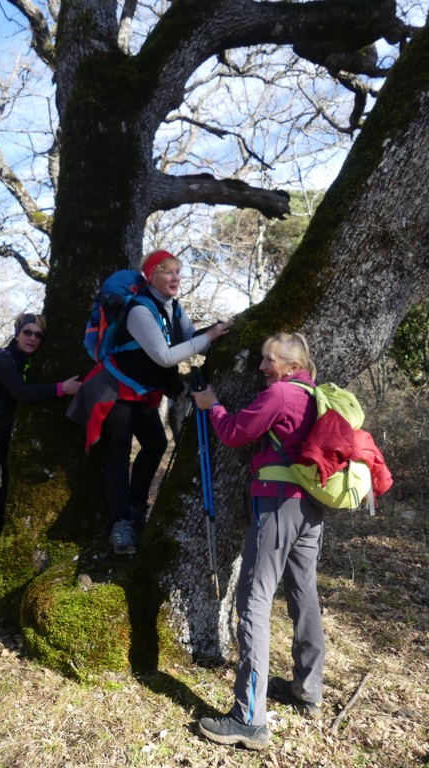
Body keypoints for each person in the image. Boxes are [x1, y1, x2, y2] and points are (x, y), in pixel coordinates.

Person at [192, 332, 324, 751]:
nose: (262, 367)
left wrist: (210, 404)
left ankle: (249, 719)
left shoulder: (281, 395)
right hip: (310, 508)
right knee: (304, 595)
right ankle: (308, 690)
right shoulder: (314, 396)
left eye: (269, 360)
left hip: (276, 505)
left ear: (290, 364)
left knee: (253, 600)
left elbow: (233, 433)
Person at [68, 250, 233, 555]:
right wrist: (210, 336)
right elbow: (165, 356)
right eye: (168, 271)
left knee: (156, 443)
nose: (176, 278)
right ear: (151, 275)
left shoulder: (173, 308)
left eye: (179, 272)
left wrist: (223, 335)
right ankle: (120, 525)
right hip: (115, 389)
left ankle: (135, 507)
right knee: (117, 455)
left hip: (142, 391)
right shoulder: (139, 310)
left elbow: (188, 341)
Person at [0, 313, 81, 559]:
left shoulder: (30, 361)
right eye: (27, 332)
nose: (33, 338)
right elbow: (22, 392)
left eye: (38, 335)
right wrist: (62, 388)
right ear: (16, 333)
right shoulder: (2, 359)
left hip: (11, 432)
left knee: (11, 482)